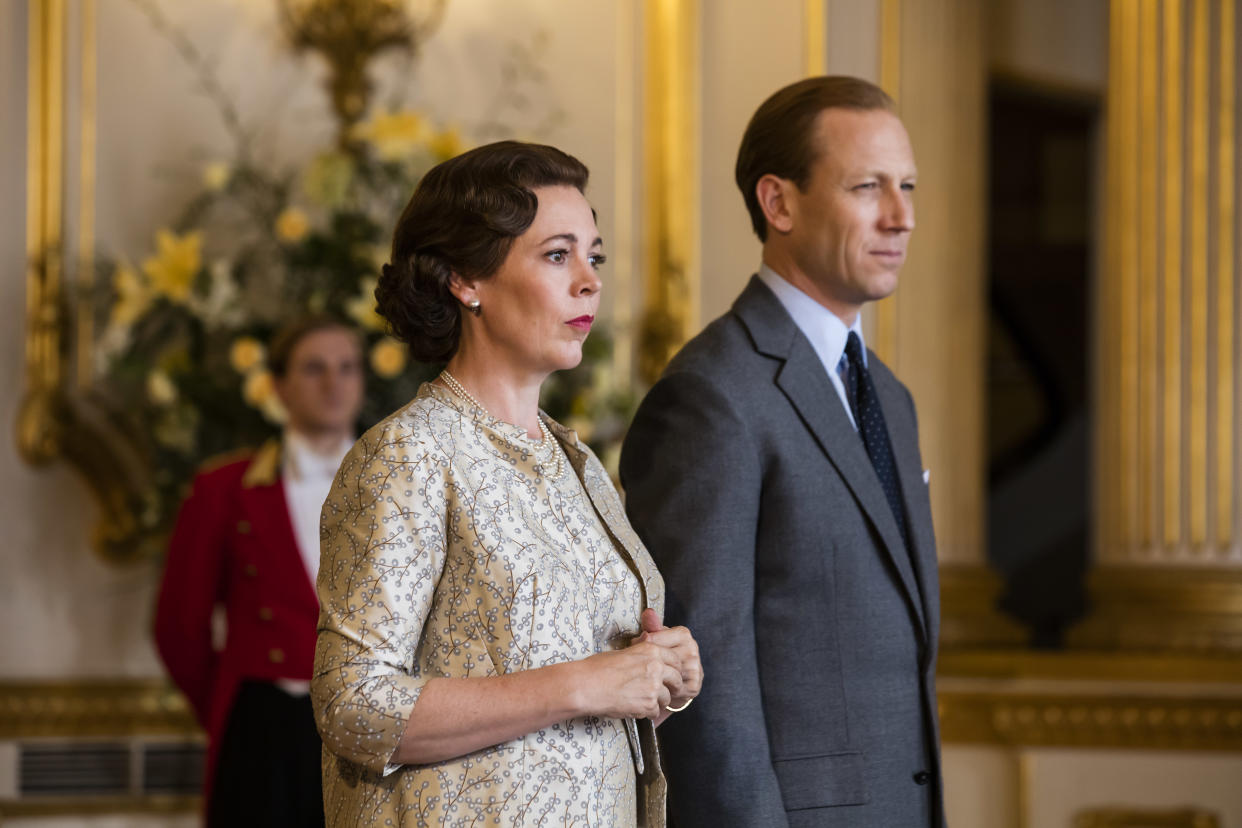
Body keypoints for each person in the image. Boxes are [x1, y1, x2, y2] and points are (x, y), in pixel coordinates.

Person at [311, 140, 702, 828]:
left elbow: (576, 723)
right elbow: (352, 706)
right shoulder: (408, 454)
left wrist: (662, 675)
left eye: (594, 256)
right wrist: (584, 683)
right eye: (558, 255)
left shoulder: (575, 461)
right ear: (467, 279)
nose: (589, 280)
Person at [620, 75, 945, 826]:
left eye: (907, 186)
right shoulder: (711, 395)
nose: (902, 217)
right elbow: (703, 683)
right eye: (868, 187)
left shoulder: (889, 397)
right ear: (779, 202)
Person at [155, 315, 365, 827]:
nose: (333, 383)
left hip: (374, 727)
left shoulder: (405, 484)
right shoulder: (223, 489)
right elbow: (179, 626)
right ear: (279, 387)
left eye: (347, 368)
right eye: (314, 368)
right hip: (265, 731)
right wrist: (234, 712)